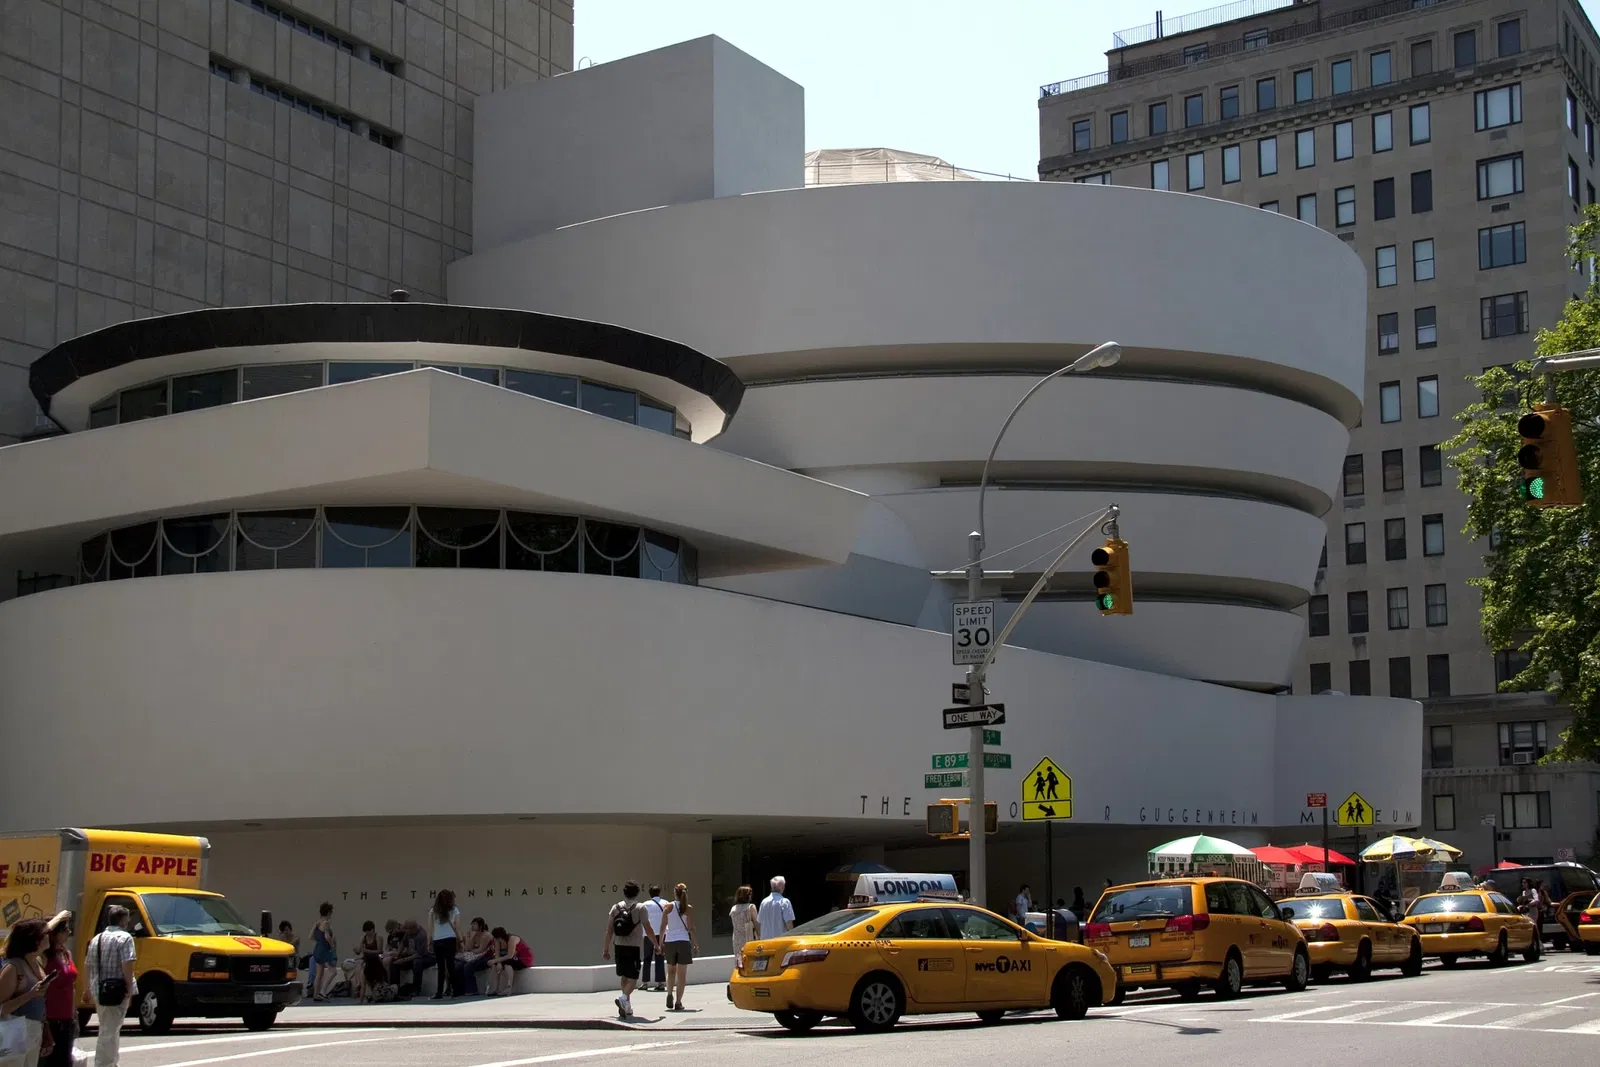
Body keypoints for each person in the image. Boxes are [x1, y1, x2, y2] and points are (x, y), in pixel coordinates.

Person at [83, 905, 135, 1067]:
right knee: (110, 1031)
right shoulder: (125, 938)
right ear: (122, 920)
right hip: (117, 990)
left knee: (108, 1028)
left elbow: (88, 965)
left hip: (100, 989)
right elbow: (127, 964)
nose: (128, 922)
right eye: (127, 919)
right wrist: (129, 988)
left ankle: (110, 1062)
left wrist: (87, 989)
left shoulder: (96, 939)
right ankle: (104, 1064)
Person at [0, 917, 50, 1067]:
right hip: (15, 1028)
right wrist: (31, 994)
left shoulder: (38, 961)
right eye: (45, 933)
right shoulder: (13, 967)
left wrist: (46, 1029)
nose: (49, 936)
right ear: (34, 939)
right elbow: (2, 1008)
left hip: (35, 1027)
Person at [602, 880, 649, 1019]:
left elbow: (609, 930)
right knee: (633, 978)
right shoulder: (640, 908)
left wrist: (606, 949)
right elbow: (648, 927)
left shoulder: (615, 907)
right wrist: (657, 944)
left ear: (624, 892)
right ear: (637, 893)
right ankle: (623, 999)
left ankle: (627, 1007)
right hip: (633, 947)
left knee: (623, 976)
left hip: (619, 946)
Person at [40, 913, 77, 1067]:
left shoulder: (66, 953)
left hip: (67, 1016)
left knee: (64, 1061)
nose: (69, 932)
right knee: (48, 1062)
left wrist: (74, 1012)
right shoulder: (42, 956)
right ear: (53, 934)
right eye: (65, 929)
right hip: (49, 1017)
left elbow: (72, 985)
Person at [659, 883, 699, 1012]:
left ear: (674, 893)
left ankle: (669, 993)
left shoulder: (668, 907)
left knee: (670, 971)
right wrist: (695, 944)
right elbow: (691, 928)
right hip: (683, 941)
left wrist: (660, 942)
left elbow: (663, 926)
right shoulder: (688, 908)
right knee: (682, 975)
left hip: (670, 941)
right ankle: (678, 1001)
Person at [428, 890, 462, 1000]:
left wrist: (429, 941)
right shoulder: (455, 910)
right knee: (451, 965)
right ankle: (456, 990)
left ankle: (439, 992)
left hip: (437, 940)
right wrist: (461, 940)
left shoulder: (433, 910)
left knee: (441, 967)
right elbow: (456, 926)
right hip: (450, 939)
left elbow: (430, 927)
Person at [487, 927, 532, 996]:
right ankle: (495, 988)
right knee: (494, 965)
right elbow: (497, 954)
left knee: (507, 963)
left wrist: (494, 961)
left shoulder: (512, 939)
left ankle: (509, 988)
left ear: (500, 938)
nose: (495, 940)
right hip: (511, 958)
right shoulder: (497, 941)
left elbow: (510, 956)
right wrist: (498, 963)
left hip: (523, 959)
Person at [640, 885, 668, 994]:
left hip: (649, 935)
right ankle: (660, 982)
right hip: (662, 934)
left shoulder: (645, 905)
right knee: (660, 957)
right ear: (659, 892)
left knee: (647, 958)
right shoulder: (665, 903)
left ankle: (645, 982)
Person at [457, 918, 494, 996]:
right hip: (476, 956)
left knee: (468, 966)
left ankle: (472, 990)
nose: (472, 926)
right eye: (472, 924)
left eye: (474, 924)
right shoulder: (474, 935)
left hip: (486, 957)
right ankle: (460, 989)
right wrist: (469, 937)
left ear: (480, 926)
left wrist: (472, 950)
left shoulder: (486, 935)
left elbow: (480, 950)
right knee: (459, 965)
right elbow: (467, 948)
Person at [310, 902, 338, 1001]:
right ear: (328, 912)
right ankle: (323, 991)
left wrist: (320, 939)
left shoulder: (317, 922)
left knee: (319, 974)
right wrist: (332, 946)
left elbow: (311, 937)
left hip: (317, 949)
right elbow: (327, 936)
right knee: (333, 971)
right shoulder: (326, 923)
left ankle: (315, 995)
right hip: (325, 950)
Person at [728, 885, 759, 972]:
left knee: (739, 961)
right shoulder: (751, 907)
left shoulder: (733, 909)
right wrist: (760, 936)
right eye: (749, 894)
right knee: (750, 960)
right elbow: (756, 923)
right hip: (748, 937)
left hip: (737, 938)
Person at [756, 877, 794, 944]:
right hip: (780, 941)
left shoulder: (763, 902)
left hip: (765, 942)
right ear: (782, 887)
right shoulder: (785, 902)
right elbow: (789, 924)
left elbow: (759, 923)